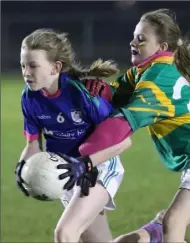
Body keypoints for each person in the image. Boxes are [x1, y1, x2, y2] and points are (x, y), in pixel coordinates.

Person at [58, 9, 190, 242]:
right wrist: (96, 91)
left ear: (161, 47)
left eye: (141, 39)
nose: (133, 42)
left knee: (174, 222)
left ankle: (157, 230)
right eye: (134, 36)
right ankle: (156, 230)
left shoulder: (157, 79)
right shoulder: (144, 71)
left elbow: (121, 126)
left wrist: (84, 157)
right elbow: (114, 97)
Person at [14, 28, 130, 243]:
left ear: (55, 67)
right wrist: (22, 166)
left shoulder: (83, 93)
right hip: (67, 175)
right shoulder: (29, 97)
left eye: (33, 66)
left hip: (97, 168)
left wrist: (85, 165)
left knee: (64, 233)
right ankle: (152, 234)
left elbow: (123, 141)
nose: (26, 72)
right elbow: (32, 143)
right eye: (23, 65)